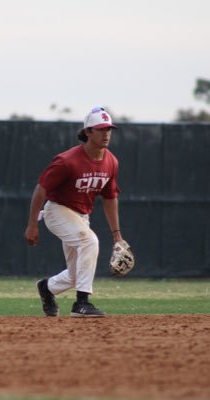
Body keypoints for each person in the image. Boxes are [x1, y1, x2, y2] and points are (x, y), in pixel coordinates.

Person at [24, 107, 123, 317]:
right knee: (90, 241)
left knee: (78, 274)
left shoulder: (111, 162)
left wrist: (117, 236)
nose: (106, 134)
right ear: (88, 132)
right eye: (101, 129)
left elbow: (110, 197)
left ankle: (47, 287)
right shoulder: (67, 161)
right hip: (57, 211)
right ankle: (82, 304)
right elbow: (40, 189)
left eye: (109, 129)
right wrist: (32, 224)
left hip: (80, 217)